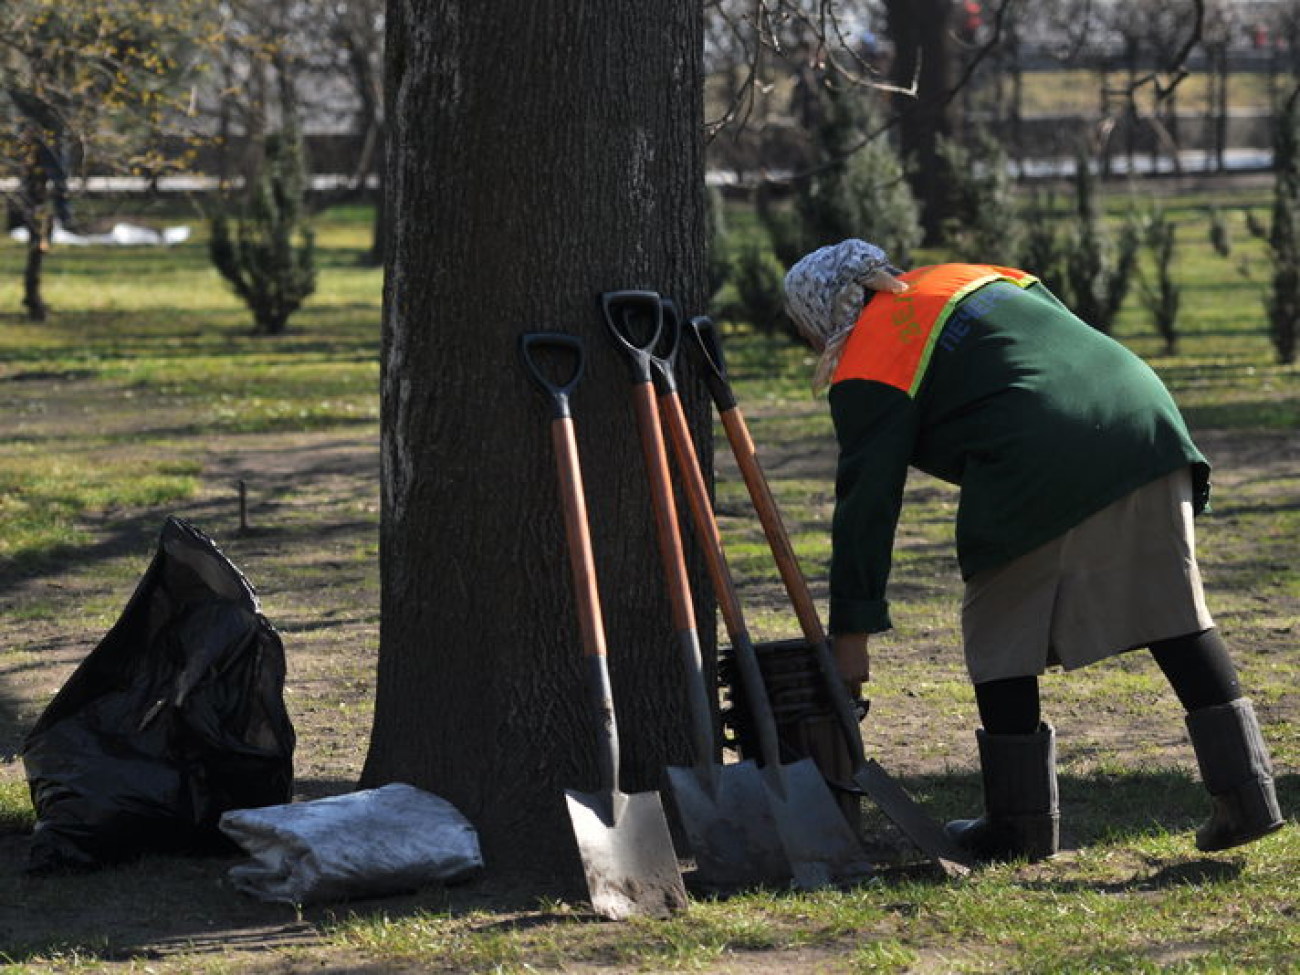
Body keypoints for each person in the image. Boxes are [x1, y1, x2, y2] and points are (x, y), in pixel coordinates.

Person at [782, 239, 1285, 862]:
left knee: (1000, 633)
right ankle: (1249, 797)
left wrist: (851, 631)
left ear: (818, 315)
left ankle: (1017, 827)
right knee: (1176, 613)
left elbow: (868, 499)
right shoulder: (970, 277)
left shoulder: (870, 355)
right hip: (1143, 418)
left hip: (1037, 451)